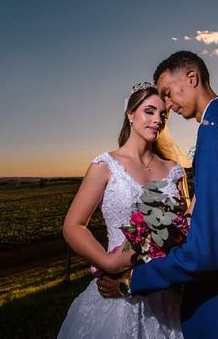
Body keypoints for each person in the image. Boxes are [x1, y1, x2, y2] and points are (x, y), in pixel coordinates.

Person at [99, 51, 218, 339]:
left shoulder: (216, 131)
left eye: (168, 93)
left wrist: (132, 280)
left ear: (192, 78)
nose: (168, 106)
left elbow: (206, 252)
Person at [57, 81, 188, 339]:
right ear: (130, 114)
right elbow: (73, 226)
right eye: (149, 111)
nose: (157, 120)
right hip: (114, 295)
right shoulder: (105, 165)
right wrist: (107, 261)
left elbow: (187, 227)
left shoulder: (175, 171)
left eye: (163, 114)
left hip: (164, 294)